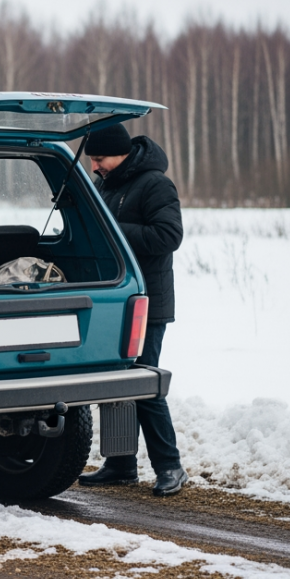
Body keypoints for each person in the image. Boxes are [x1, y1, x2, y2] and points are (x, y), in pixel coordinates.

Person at [76, 123, 188, 497]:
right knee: (115, 384)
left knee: (143, 384)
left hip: (147, 302)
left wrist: (112, 231)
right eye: (92, 158)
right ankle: (122, 464)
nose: (95, 165)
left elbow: (168, 236)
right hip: (111, 301)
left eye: (100, 158)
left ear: (121, 153)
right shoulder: (106, 183)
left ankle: (170, 466)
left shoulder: (155, 184)